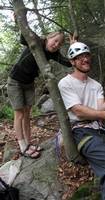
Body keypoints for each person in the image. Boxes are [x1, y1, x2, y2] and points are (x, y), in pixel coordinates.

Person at [58, 42, 105, 200]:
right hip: (82, 132)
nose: (85, 59)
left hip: (101, 131)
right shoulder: (65, 83)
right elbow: (78, 111)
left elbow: (101, 109)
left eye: (86, 55)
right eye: (79, 57)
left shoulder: (96, 85)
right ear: (72, 62)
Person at [7, 31, 72, 159]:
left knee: (27, 114)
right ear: (48, 37)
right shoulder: (36, 41)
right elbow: (23, 37)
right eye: (55, 40)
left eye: (59, 44)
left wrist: (73, 46)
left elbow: (68, 62)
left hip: (29, 84)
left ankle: (28, 143)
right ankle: (22, 146)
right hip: (15, 81)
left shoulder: (53, 53)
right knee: (19, 113)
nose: (56, 45)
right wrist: (17, 20)